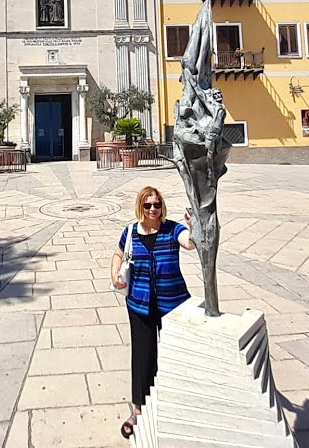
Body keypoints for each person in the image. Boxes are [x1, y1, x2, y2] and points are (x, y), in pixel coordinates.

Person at [110, 185, 196, 439]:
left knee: (175, 356)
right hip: (139, 304)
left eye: (157, 204)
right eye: (148, 205)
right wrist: (114, 275)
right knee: (142, 358)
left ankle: (176, 403)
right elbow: (118, 254)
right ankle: (138, 410)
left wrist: (194, 226)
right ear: (140, 206)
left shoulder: (172, 229)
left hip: (172, 305)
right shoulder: (130, 231)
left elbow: (190, 243)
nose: (153, 209)